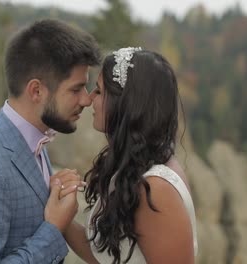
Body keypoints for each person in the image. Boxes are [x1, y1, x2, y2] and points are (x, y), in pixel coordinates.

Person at [0, 19, 101, 263]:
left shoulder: (35, 144)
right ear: (36, 91)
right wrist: (52, 229)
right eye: (76, 89)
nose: (86, 100)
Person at [57, 47, 198, 264]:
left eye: (99, 91)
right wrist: (61, 217)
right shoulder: (135, 169)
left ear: (125, 103)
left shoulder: (156, 187)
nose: (89, 99)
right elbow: (108, 257)